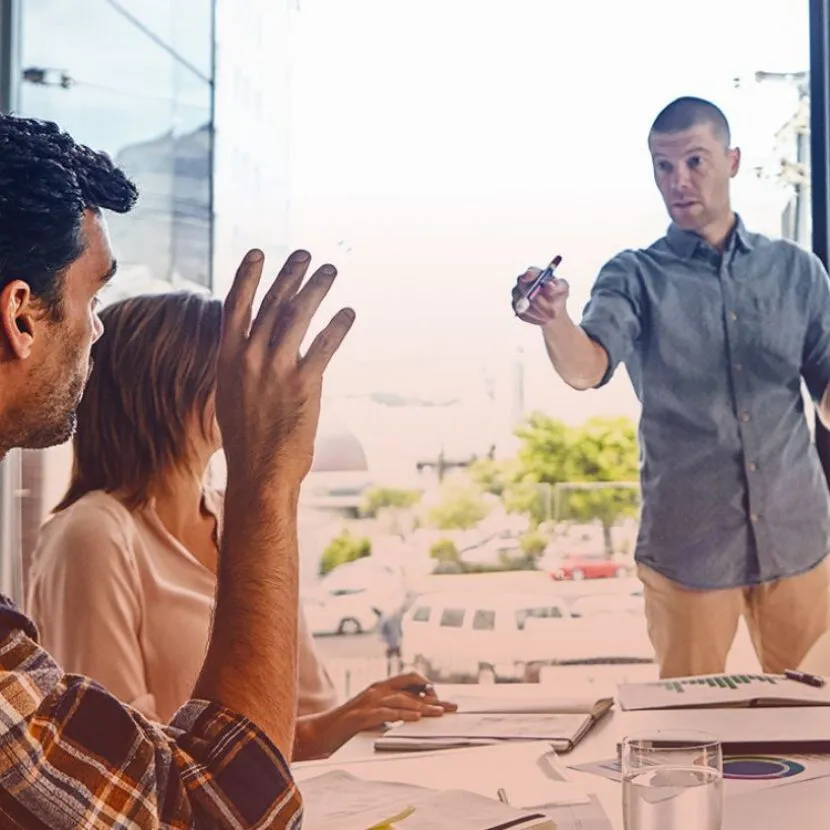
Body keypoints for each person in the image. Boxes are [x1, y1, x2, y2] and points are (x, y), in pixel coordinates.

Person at [0, 110, 348, 827]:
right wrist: (268, 482)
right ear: (21, 317)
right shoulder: (96, 534)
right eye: (91, 298)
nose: (98, 328)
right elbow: (205, 810)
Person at [26, 290, 456, 761]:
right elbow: (117, 758)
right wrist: (330, 727)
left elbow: (309, 701)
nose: (252, 384)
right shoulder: (93, 533)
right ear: (168, 384)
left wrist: (358, 714)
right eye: (231, 369)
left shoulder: (240, 515)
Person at [513, 96, 830, 679]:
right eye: (663, 166)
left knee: (817, 725)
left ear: (732, 161)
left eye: (695, 161)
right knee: (686, 732)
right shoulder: (633, 275)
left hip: (800, 542)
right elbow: (587, 368)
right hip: (690, 548)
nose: (678, 181)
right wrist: (554, 319)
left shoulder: (797, 271)